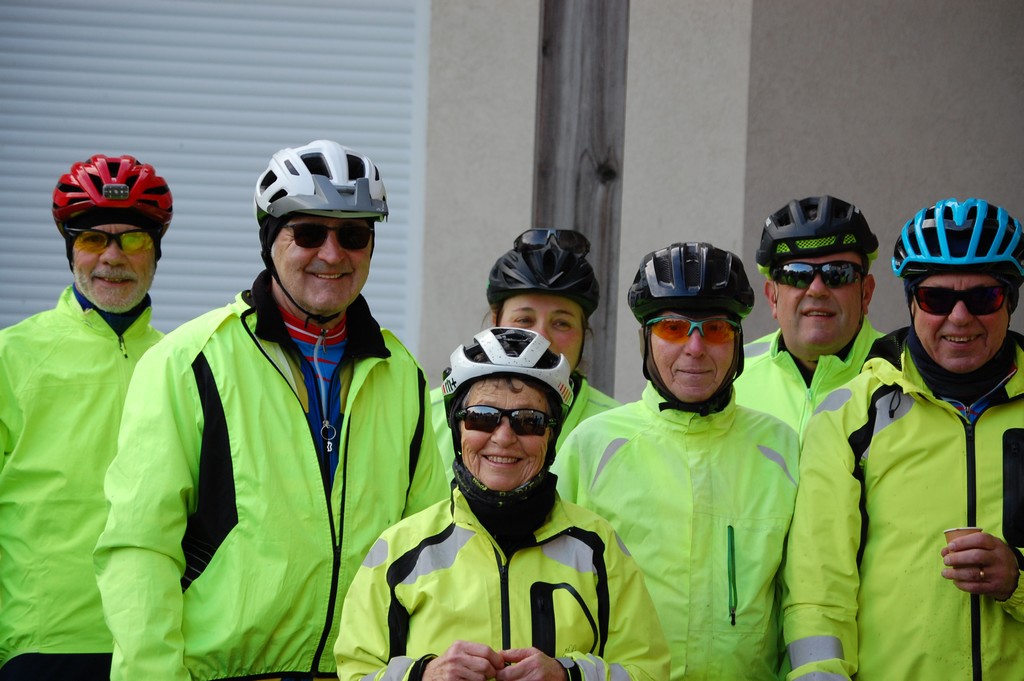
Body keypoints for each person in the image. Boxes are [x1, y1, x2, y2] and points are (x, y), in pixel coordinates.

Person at [93, 140, 447, 680]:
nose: (333, 254)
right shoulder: (190, 361)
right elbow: (140, 548)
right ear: (269, 238)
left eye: (353, 235)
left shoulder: (401, 373)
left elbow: (429, 548)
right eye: (308, 233)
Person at [336, 327, 670, 681]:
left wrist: (569, 675)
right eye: (482, 417)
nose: (504, 437)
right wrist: (423, 675)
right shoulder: (399, 550)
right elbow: (356, 671)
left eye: (529, 421)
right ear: (457, 429)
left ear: (551, 435)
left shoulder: (597, 548)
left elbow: (648, 671)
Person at [782, 197, 1024, 680]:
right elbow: (818, 589)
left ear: (1010, 302)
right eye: (936, 299)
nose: (960, 317)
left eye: (984, 298)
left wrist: (1017, 580)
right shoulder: (850, 413)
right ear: (911, 301)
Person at [554, 242, 800, 680]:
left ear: (738, 341)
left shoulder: (782, 448)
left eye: (716, 329)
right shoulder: (591, 446)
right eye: (673, 328)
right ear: (645, 340)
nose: (695, 347)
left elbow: (803, 595)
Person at [0, 154, 172, 679]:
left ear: (156, 251)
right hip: (42, 639)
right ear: (70, 249)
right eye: (94, 239)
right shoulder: (12, 356)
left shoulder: (184, 360)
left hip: (157, 644)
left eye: (133, 239)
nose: (112, 257)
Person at [430, 229, 618, 481]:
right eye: (524, 319)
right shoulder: (427, 417)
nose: (541, 337)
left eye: (561, 323)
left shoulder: (617, 430)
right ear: (495, 322)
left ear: (585, 333)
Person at [735, 195, 882, 437]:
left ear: (866, 293)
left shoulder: (907, 377)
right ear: (772, 297)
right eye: (797, 274)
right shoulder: (731, 378)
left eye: (837, 273)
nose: (816, 289)